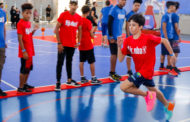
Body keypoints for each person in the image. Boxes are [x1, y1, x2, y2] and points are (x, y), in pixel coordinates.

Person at [118, 14, 175, 120]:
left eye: (134, 25)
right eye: (129, 25)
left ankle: (147, 96)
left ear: (140, 27)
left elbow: (165, 41)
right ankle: (168, 105)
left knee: (123, 87)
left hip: (146, 71)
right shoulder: (128, 40)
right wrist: (119, 46)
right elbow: (120, 59)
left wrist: (171, 55)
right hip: (140, 71)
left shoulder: (148, 38)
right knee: (154, 90)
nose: (131, 27)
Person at [54, 0, 82, 91]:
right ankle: (58, 82)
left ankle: (69, 80)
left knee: (69, 62)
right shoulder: (63, 15)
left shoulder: (78, 17)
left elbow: (80, 30)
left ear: (77, 6)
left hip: (72, 45)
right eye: (72, 4)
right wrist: (59, 43)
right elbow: (56, 28)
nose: (73, 6)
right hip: (62, 44)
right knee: (60, 62)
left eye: (75, 5)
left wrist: (79, 42)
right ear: (69, 5)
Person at [17, 3, 39, 92]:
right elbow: (20, 39)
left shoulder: (29, 23)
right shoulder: (20, 23)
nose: (29, 15)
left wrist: (34, 30)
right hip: (25, 51)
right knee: (23, 69)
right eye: (27, 13)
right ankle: (20, 87)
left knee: (28, 68)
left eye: (30, 13)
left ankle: (25, 84)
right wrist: (23, 51)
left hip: (30, 50)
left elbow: (29, 35)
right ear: (22, 13)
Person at [79, 5, 102, 85]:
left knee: (81, 61)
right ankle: (93, 78)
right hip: (88, 45)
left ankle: (82, 78)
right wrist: (93, 30)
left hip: (81, 44)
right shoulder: (88, 22)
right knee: (92, 62)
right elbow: (91, 35)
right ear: (88, 12)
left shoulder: (79, 21)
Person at [108, 0, 127, 82]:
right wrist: (111, 36)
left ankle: (113, 72)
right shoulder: (113, 10)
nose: (124, 2)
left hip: (119, 36)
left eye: (125, 1)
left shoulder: (124, 11)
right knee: (113, 54)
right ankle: (111, 73)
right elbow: (109, 23)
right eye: (123, 0)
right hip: (112, 37)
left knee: (116, 54)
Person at [159, 1, 178, 75]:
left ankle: (167, 66)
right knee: (164, 53)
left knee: (168, 53)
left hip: (170, 37)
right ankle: (163, 66)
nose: (175, 8)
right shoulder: (165, 15)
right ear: (170, 7)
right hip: (165, 38)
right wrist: (166, 38)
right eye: (173, 6)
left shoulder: (171, 15)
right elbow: (163, 27)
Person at [125, 0, 142, 76]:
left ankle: (138, 70)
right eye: (136, 5)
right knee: (129, 55)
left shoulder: (138, 15)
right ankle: (129, 70)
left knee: (137, 55)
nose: (137, 7)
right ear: (133, 5)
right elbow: (127, 26)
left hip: (137, 38)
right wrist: (129, 37)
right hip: (130, 38)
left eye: (138, 5)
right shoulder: (130, 14)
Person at [0, 2, 7, 96]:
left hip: (1, 45)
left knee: (0, 67)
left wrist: (4, 41)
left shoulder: (3, 13)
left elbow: (4, 28)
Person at [171, 2, 181, 73]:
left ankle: (172, 66)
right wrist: (179, 36)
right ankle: (173, 67)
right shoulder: (175, 15)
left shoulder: (169, 15)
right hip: (174, 37)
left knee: (172, 52)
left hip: (171, 36)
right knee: (176, 52)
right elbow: (176, 26)